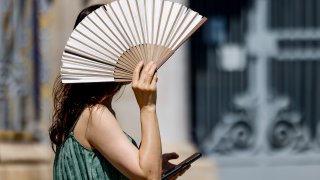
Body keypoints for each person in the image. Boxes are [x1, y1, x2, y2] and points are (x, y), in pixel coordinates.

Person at [49, 4, 189, 180]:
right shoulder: (96, 115)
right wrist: (147, 106)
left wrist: (152, 162)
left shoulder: (84, 112)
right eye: (127, 45)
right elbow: (148, 176)